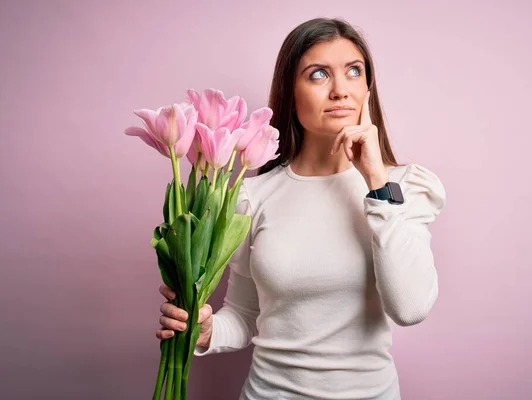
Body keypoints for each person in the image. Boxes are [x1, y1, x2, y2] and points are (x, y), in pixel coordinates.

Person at [156, 17, 446, 399]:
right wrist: (206, 330)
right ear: (290, 95)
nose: (340, 90)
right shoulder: (252, 196)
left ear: (368, 89)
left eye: (354, 72)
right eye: (319, 74)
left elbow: (410, 308)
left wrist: (376, 182)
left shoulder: (405, 186)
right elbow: (244, 315)